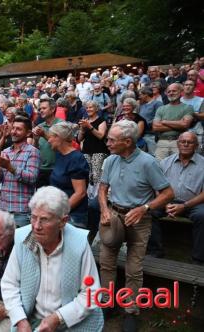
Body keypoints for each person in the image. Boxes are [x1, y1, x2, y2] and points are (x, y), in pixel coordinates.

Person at [98, 120, 174, 331]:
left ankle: (130, 310)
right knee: (106, 262)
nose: (108, 142)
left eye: (112, 139)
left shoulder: (148, 162)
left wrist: (145, 208)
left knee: (134, 268)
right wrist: (104, 209)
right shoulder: (111, 160)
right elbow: (102, 188)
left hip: (139, 220)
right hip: (113, 216)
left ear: (128, 141)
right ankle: (107, 302)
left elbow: (169, 194)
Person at [1, 186, 104, 331]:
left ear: (63, 221)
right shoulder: (23, 239)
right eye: (34, 217)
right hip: (32, 319)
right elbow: (9, 284)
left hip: (70, 322)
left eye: (44, 220)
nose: (36, 226)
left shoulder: (78, 243)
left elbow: (92, 293)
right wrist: (20, 320)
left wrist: (59, 317)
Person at [148, 132, 204, 263]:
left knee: (203, 216)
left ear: (196, 145)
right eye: (182, 141)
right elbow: (157, 186)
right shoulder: (165, 162)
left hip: (193, 203)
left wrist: (184, 206)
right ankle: (154, 251)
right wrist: (164, 202)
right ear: (177, 144)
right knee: (148, 210)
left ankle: (199, 259)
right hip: (167, 201)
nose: (185, 144)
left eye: (189, 142)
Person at [0, 116, 39, 227]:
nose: (14, 132)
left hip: (22, 211)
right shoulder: (5, 151)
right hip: (4, 208)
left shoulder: (33, 152)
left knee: (22, 243)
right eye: (13, 128)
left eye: (18, 129)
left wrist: (9, 166)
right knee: (4, 244)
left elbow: (32, 178)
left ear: (28, 133)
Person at [48, 122, 89, 228]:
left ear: (59, 137)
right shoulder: (60, 155)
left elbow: (80, 193)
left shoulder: (76, 158)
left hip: (73, 217)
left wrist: (60, 212)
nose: (48, 140)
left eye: (50, 137)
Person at [152, 83, 194, 160]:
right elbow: (155, 127)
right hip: (162, 142)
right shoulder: (161, 109)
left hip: (179, 142)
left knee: (178, 167)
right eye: (169, 91)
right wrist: (178, 124)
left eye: (174, 91)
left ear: (181, 92)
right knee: (159, 168)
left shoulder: (188, 108)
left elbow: (185, 125)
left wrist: (164, 122)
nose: (171, 93)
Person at [32, 99, 62, 188]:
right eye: (40, 109)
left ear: (53, 109)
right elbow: (35, 149)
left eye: (44, 108)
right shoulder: (40, 126)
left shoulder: (61, 124)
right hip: (41, 170)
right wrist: (36, 140)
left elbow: (61, 146)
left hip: (57, 169)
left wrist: (44, 134)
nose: (41, 110)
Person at [78, 100, 109, 185]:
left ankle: (97, 196)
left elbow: (101, 136)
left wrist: (89, 126)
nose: (88, 109)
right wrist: (82, 129)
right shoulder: (85, 121)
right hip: (86, 151)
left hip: (99, 151)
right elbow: (79, 139)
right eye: (87, 107)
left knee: (96, 176)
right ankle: (88, 196)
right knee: (87, 175)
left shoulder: (101, 121)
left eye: (90, 107)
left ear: (96, 109)